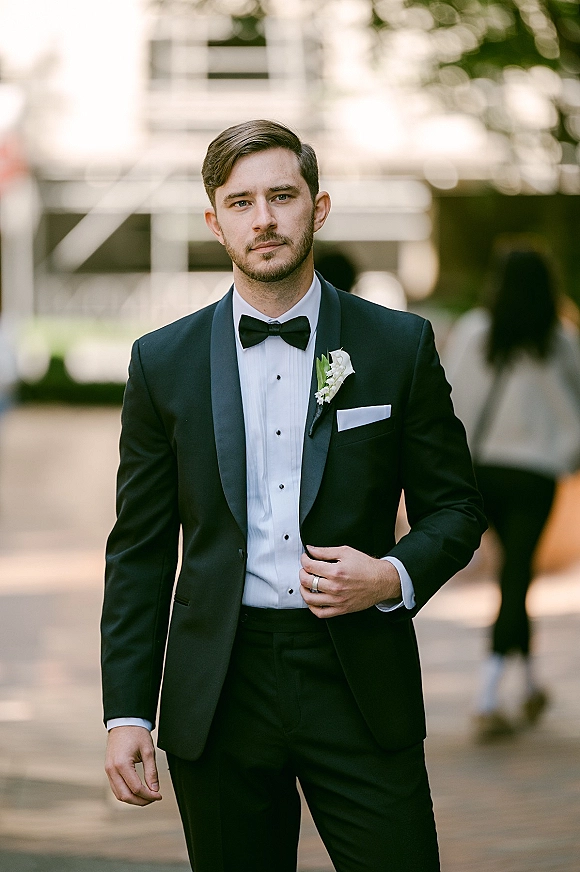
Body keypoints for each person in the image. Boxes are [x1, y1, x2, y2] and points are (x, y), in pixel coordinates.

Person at [101, 120, 486, 872]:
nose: (264, 219)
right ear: (215, 222)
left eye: (282, 195)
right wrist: (126, 713)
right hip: (220, 685)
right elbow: (139, 551)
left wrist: (391, 576)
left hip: (357, 676)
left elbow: (457, 508)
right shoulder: (161, 362)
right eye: (241, 203)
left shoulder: (397, 345)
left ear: (320, 206)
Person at [444, 240, 580, 742]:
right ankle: (487, 695)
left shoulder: (475, 331)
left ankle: (527, 682)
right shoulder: (559, 338)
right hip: (536, 475)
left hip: (484, 472)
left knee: (515, 573)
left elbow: (450, 399)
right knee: (518, 574)